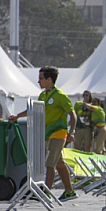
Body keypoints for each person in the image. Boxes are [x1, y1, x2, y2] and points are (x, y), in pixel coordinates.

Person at [8, 66, 77, 201]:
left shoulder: (60, 96)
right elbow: (33, 110)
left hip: (58, 134)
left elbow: (73, 115)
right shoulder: (43, 95)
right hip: (47, 134)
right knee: (59, 163)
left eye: (41, 79)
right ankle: (70, 191)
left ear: (49, 79)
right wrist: (17, 116)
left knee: (49, 164)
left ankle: (46, 193)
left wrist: (72, 132)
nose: (38, 81)